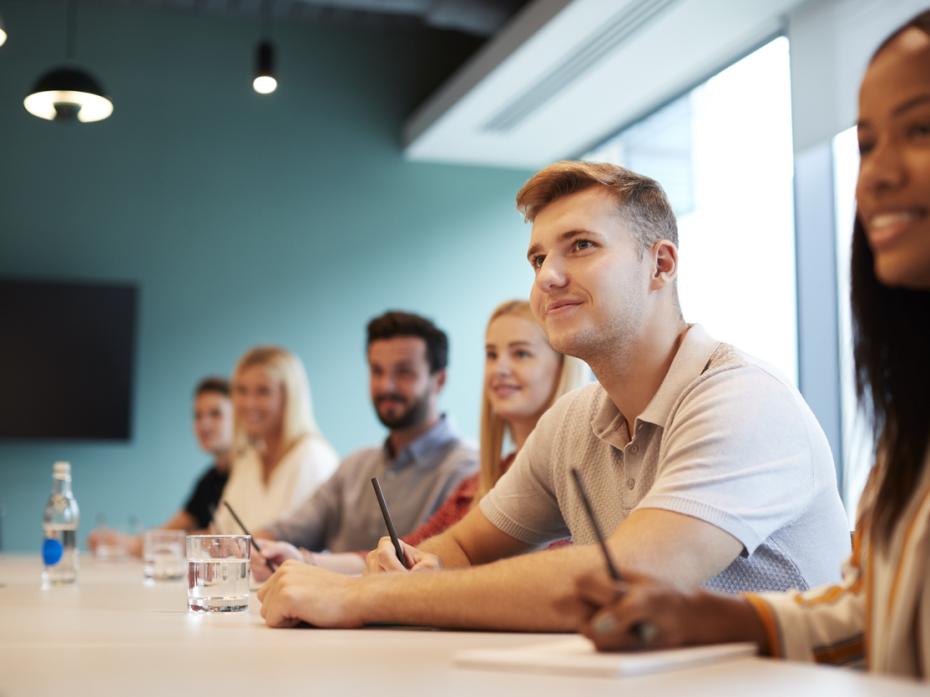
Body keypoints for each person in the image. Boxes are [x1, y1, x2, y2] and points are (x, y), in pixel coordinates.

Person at [255, 161, 850, 630]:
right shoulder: (573, 420)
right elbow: (463, 543)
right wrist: (414, 566)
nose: (547, 276)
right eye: (538, 257)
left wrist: (374, 596)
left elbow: (624, 578)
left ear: (660, 265)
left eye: (581, 246)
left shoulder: (743, 401)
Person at [572, 12, 930, 680]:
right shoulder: (912, 419)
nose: (875, 175)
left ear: (661, 266)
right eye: (869, 141)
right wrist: (713, 617)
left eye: (921, 130)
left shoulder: (742, 398)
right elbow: (874, 609)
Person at [255, 300, 588, 576]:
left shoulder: (564, 475)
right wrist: (307, 562)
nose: (499, 369)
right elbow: (415, 549)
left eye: (520, 354)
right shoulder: (473, 485)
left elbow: (540, 577)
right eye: (491, 355)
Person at [249, 311, 478, 578]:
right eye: (377, 371)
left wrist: (306, 561)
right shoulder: (355, 466)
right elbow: (289, 530)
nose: (385, 385)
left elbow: (431, 558)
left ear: (439, 380)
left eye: (404, 372)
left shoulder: (468, 471)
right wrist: (247, 548)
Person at [88, 376, 234, 556]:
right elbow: (169, 531)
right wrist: (124, 541)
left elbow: (224, 539)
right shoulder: (208, 480)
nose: (204, 424)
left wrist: (135, 545)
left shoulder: (247, 478)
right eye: (198, 415)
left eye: (216, 414)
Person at [211, 346, 338, 534]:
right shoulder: (248, 458)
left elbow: (305, 540)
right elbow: (219, 534)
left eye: (263, 392)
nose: (249, 403)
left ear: (290, 397)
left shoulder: (312, 457)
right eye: (242, 391)